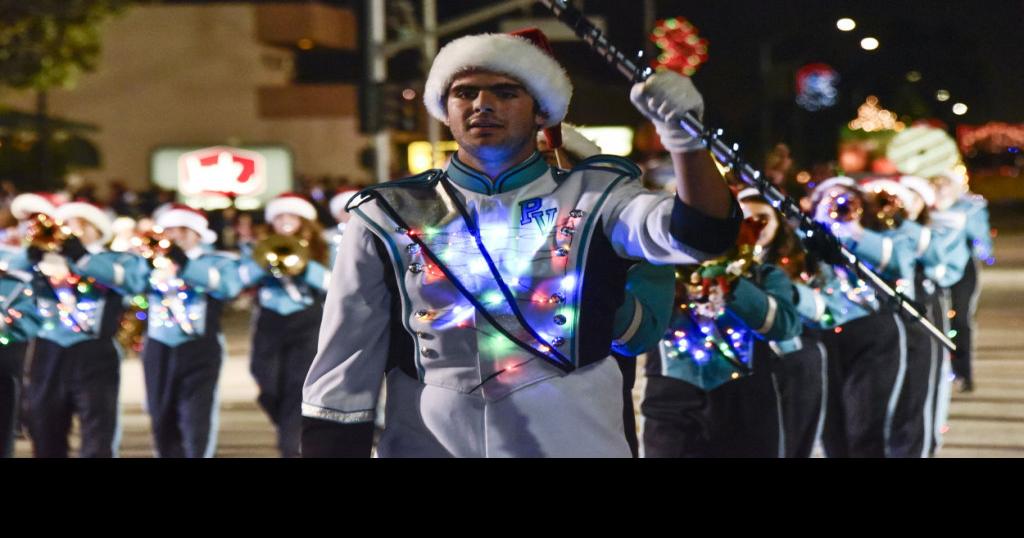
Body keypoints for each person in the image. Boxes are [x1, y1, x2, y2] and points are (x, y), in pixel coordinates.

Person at [301, 29, 738, 457]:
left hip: (574, 440)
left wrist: (684, 140)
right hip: (429, 442)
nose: (482, 104)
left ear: (541, 112)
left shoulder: (599, 197)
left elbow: (699, 233)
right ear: (444, 109)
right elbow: (344, 363)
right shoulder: (385, 213)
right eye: (465, 93)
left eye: (506, 92)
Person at [641, 200, 802, 457]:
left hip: (746, 400)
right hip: (672, 396)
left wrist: (731, 282)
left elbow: (785, 326)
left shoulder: (766, 274)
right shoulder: (663, 271)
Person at [25, 201, 150, 457]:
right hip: (49, 351)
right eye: (68, 224)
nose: (71, 230)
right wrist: (30, 258)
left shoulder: (116, 259)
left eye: (79, 224)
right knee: (44, 427)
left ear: (96, 229)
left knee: (98, 429)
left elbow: (133, 281)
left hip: (94, 352)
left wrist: (82, 257)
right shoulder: (45, 259)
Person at [136, 204, 244, 458]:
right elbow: (131, 286)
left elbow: (228, 288)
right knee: (161, 417)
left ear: (198, 234)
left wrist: (183, 263)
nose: (176, 235)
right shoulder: (151, 261)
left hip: (200, 345)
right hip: (158, 345)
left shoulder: (217, 261)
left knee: (196, 419)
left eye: (184, 229)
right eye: (170, 229)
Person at [737, 188, 828, 458]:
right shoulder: (730, 258)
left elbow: (829, 309)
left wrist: (790, 292)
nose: (756, 226)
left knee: (793, 441)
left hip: (794, 360)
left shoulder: (803, 257)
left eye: (764, 217)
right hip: (749, 364)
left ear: (778, 220)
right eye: (747, 219)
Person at [238, 193, 331, 457]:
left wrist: (303, 266)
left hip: (307, 320)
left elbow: (333, 283)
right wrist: (261, 262)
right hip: (270, 320)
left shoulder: (321, 247)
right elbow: (239, 279)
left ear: (304, 220)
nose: (285, 221)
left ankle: (290, 445)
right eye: (279, 216)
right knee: (265, 381)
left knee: (296, 386)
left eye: (291, 216)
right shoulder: (260, 246)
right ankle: (293, 428)